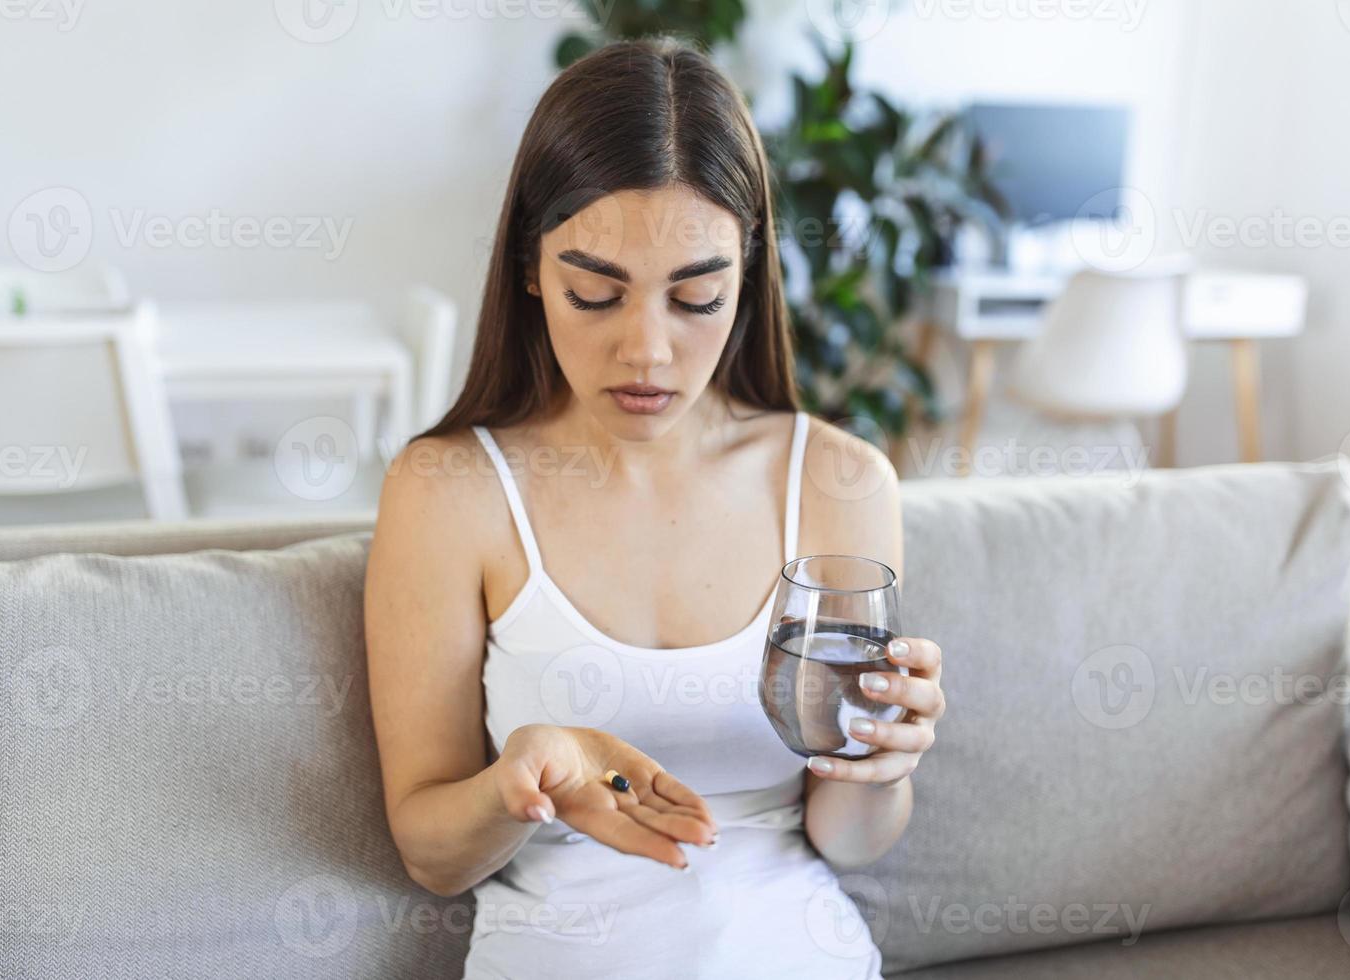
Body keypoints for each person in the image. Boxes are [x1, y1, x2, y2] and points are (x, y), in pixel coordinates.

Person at [364, 36, 946, 980]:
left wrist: (884, 763)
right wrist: (520, 778)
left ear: (748, 277)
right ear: (528, 268)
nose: (648, 351)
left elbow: (850, 840)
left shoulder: (840, 484)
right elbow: (431, 854)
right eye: (595, 295)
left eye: (697, 298)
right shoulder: (448, 493)